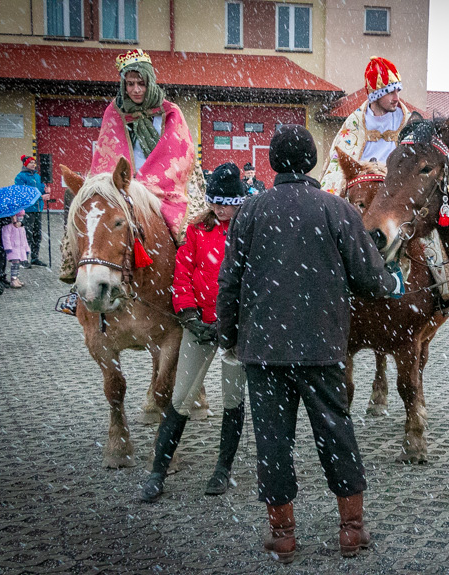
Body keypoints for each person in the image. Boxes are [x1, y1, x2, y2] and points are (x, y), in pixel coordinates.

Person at [216, 125, 404, 563]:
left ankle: (283, 537)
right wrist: (392, 281)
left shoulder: (250, 211)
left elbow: (230, 282)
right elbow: (369, 278)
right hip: (322, 347)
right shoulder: (336, 210)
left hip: (263, 351)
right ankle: (351, 531)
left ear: (274, 163)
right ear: (312, 160)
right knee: (337, 433)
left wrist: (229, 337)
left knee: (273, 441)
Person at [140, 163, 247, 503]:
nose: (219, 208)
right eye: (215, 201)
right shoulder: (198, 230)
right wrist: (187, 312)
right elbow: (183, 271)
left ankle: (223, 467)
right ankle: (158, 469)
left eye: (226, 203)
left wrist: (232, 321)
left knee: (233, 399)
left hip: (234, 329)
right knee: (181, 396)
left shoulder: (249, 231)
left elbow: (253, 281)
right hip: (200, 324)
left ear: (239, 202)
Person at [59, 48, 196, 283]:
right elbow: (106, 153)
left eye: (140, 83)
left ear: (149, 82)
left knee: (189, 231)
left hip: (165, 186)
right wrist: (119, 185)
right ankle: (77, 281)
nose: (135, 90)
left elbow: (178, 154)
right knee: (87, 222)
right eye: (130, 84)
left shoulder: (171, 112)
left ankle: (190, 285)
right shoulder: (114, 112)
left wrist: (144, 186)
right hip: (121, 184)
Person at [320, 56, 413, 196]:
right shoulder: (355, 123)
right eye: (390, 92)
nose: (396, 98)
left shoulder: (407, 122)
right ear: (376, 95)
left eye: (397, 91)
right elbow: (338, 172)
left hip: (394, 191)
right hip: (361, 190)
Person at [15, 155, 51, 268]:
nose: (33, 164)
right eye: (31, 163)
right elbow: (24, 193)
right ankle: (23, 258)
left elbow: (40, 189)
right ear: (25, 164)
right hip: (28, 210)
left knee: (37, 234)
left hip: (38, 209)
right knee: (27, 235)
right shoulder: (20, 177)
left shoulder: (37, 176)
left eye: (34, 163)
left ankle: (35, 257)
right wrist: (41, 197)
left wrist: (45, 190)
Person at [1, 210, 30, 289]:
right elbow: (6, 238)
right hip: (13, 249)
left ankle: (16, 278)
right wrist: (8, 248)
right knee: (15, 264)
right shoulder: (8, 226)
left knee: (17, 264)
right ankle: (13, 279)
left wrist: (26, 248)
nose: (21, 218)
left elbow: (24, 239)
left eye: (22, 216)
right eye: (19, 216)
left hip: (20, 249)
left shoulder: (21, 227)